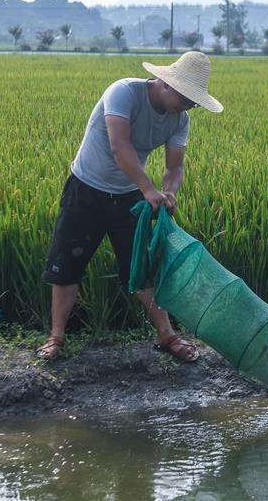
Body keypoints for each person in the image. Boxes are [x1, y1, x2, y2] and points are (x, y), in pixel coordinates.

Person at [36, 51, 223, 362]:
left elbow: (175, 167)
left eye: (194, 101)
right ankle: (56, 337)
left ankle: (167, 335)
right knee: (67, 266)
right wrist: (148, 189)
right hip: (87, 188)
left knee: (142, 269)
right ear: (165, 83)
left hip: (129, 197)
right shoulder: (124, 92)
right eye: (186, 98)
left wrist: (169, 192)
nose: (189, 105)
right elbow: (118, 145)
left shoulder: (181, 119)